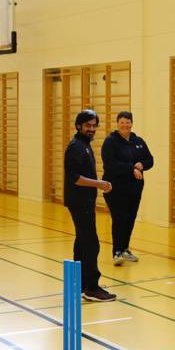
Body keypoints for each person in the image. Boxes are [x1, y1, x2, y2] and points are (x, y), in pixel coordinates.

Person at [64, 109, 115, 302]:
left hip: (84, 201)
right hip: (79, 202)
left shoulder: (84, 145)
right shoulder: (76, 147)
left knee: (83, 241)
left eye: (94, 126)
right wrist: (99, 183)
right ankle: (92, 287)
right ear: (79, 126)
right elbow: (74, 178)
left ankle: (81, 284)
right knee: (91, 243)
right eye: (88, 125)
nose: (91, 129)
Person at [101, 111, 154, 265]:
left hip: (134, 188)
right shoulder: (110, 142)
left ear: (132, 123)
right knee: (119, 219)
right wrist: (132, 168)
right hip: (115, 187)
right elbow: (111, 164)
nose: (125, 125)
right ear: (118, 124)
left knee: (130, 219)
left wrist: (142, 164)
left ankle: (125, 249)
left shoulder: (138, 141)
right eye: (122, 122)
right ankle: (117, 251)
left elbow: (150, 160)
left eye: (128, 122)